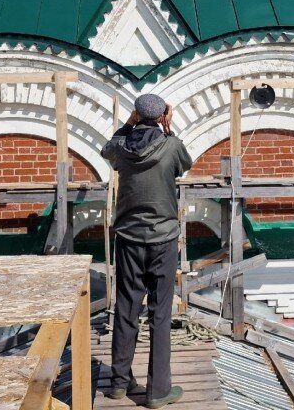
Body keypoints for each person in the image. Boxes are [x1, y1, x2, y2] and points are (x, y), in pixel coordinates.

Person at [101, 94, 193, 409]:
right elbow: (185, 164)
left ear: (136, 114)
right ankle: (158, 392)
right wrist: (168, 128)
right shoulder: (171, 146)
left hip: (128, 237)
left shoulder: (122, 150)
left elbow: (106, 149)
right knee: (160, 312)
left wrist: (129, 123)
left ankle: (118, 384)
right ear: (163, 115)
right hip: (163, 239)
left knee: (126, 308)